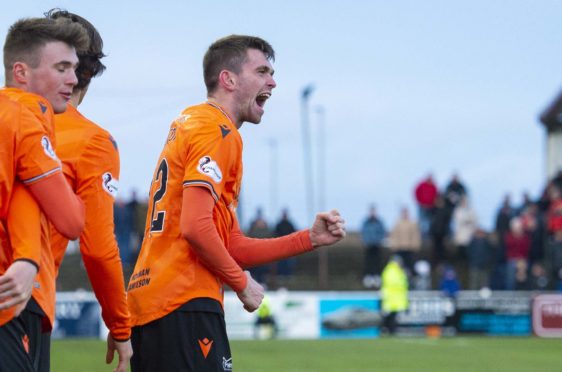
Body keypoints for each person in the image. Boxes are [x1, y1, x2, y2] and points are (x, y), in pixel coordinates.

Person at [127, 35, 346, 372]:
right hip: (183, 301)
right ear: (228, 79)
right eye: (261, 71)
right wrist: (242, 284)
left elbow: (232, 245)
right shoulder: (217, 130)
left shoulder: (193, 123)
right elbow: (195, 228)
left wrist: (309, 239)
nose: (272, 81)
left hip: (156, 303)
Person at [43, 9, 133, 372]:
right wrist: (120, 325)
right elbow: (98, 248)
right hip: (16, 301)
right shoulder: (92, 142)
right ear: (91, 73)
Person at [0, 16, 87, 371]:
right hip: (11, 299)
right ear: (21, 72)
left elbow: (23, 186)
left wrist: (27, 256)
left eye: (75, 68)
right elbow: (71, 220)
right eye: (62, 68)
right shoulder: (27, 113)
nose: (74, 79)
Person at [388, 207, 421, 275]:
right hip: (400, 248)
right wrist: (394, 246)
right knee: (399, 265)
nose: (405, 214)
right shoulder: (397, 223)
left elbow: (415, 235)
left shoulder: (412, 223)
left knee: (410, 265)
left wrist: (415, 245)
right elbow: (394, 235)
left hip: (409, 248)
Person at [380, 255, 408, 335]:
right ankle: (387, 330)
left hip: (395, 299)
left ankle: (390, 330)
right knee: (390, 316)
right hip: (391, 298)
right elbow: (394, 283)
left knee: (393, 316)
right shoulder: (391, 270)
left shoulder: (397, 270)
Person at [360, 204, 386, 288]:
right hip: (368, 245)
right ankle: (368, 277)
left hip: (377, 245)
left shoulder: (379, 222)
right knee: (369, 262)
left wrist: (379, 241)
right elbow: (363, 233)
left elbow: (382, 232)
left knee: (377, 261)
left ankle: (377, 277)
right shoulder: (366, 222)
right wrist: (366, 241)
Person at [273, 208, 298, 288]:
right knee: (281, 263)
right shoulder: (279, 224)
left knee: (288, 263)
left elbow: (294, 234)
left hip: (288, 248)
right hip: (281, 248)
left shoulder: (289, 224)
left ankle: (288, 276)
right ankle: (281, 277)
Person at [414, 173, 438, 240]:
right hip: (422, 207)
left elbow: (436, 196)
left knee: (429, 222)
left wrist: (433, 204)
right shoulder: (421, 185)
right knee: (422, 222)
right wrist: (420, 202)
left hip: (430, 207)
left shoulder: (434, 186)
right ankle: (422, 236)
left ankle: (428, 237)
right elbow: (416, 192)